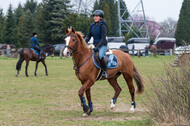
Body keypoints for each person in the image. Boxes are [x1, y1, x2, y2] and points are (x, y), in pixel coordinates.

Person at [85, 10, 108, 78]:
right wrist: (84, 41)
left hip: (102, 45)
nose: (95, 17)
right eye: (94, 16)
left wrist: (97, 47)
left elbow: (103, 39)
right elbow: (88, 36)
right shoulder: (92, 25)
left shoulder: (102, 26)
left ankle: (105, 71)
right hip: (94, 45)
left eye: (97, 16)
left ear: (100, 17)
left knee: (100, 56)